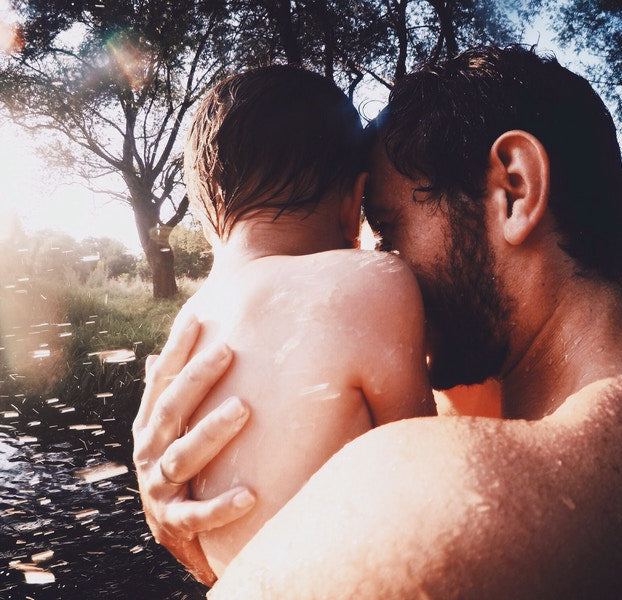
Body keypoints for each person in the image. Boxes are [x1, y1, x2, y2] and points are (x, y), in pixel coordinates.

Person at [133, 45, 622, 597]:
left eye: (388, 229)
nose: (371, 261)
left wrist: (187, 534)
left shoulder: (449, 499)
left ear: (514, 191)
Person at [141, 64, 435, 579]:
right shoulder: (370, 283)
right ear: (353, 202)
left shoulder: (188, 320)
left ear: (210, 213)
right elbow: (427, 476)